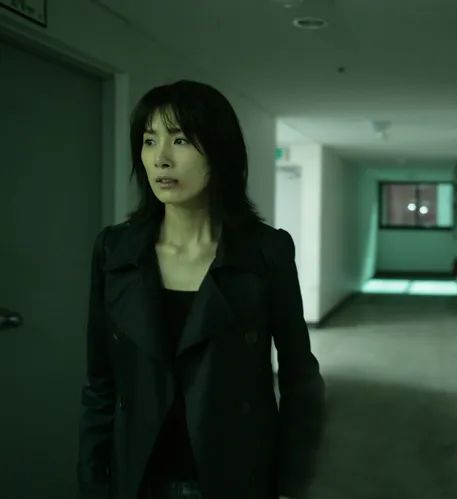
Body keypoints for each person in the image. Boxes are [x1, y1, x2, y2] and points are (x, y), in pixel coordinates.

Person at [77, 80, 326, 499]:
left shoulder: (266, 252)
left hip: (236, 475)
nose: (161, 158)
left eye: (180, 140)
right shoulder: (114, 250)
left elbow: (299, 376)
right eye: (149, 141)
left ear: (220, 152)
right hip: (136, 477)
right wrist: (92, 482)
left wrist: (290, 483)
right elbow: (100, 383)